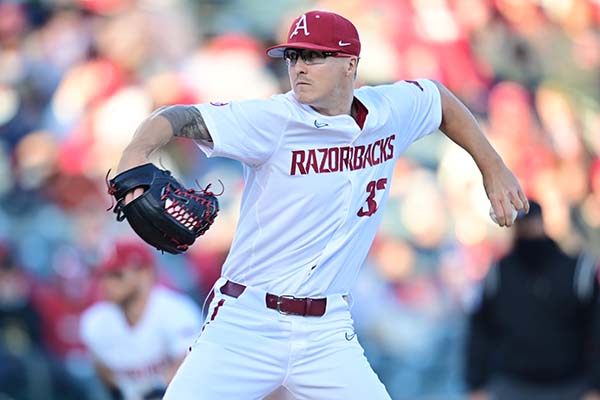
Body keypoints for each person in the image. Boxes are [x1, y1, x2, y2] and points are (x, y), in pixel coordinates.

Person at [114, 10, 529, 399]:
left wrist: (492, 166)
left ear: (350, 64)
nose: (299, 67)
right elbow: (180, 117)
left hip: (326, 332)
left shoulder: (390, 111)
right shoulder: (273, 120)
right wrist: (135, 152)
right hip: (246, 323)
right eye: (293, 57)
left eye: (314, 57)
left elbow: (439, 100)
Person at [465, 201, 600, 400]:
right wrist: (476, 384)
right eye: (524, 226)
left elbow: (596, 330)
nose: (529, 232)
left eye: (532, 225)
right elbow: (480, 329)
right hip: (512, 384)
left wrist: (595, 386)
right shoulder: (499, 273)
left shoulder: (577, 271)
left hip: (570, 384)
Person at [79, 240, 202, 400]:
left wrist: (157, 388)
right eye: (103, 275)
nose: (107, 283)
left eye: (117, 275)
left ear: (145, 274)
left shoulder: (176, 310)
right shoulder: (95, 322)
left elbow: (189, 362)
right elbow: (103, 370)